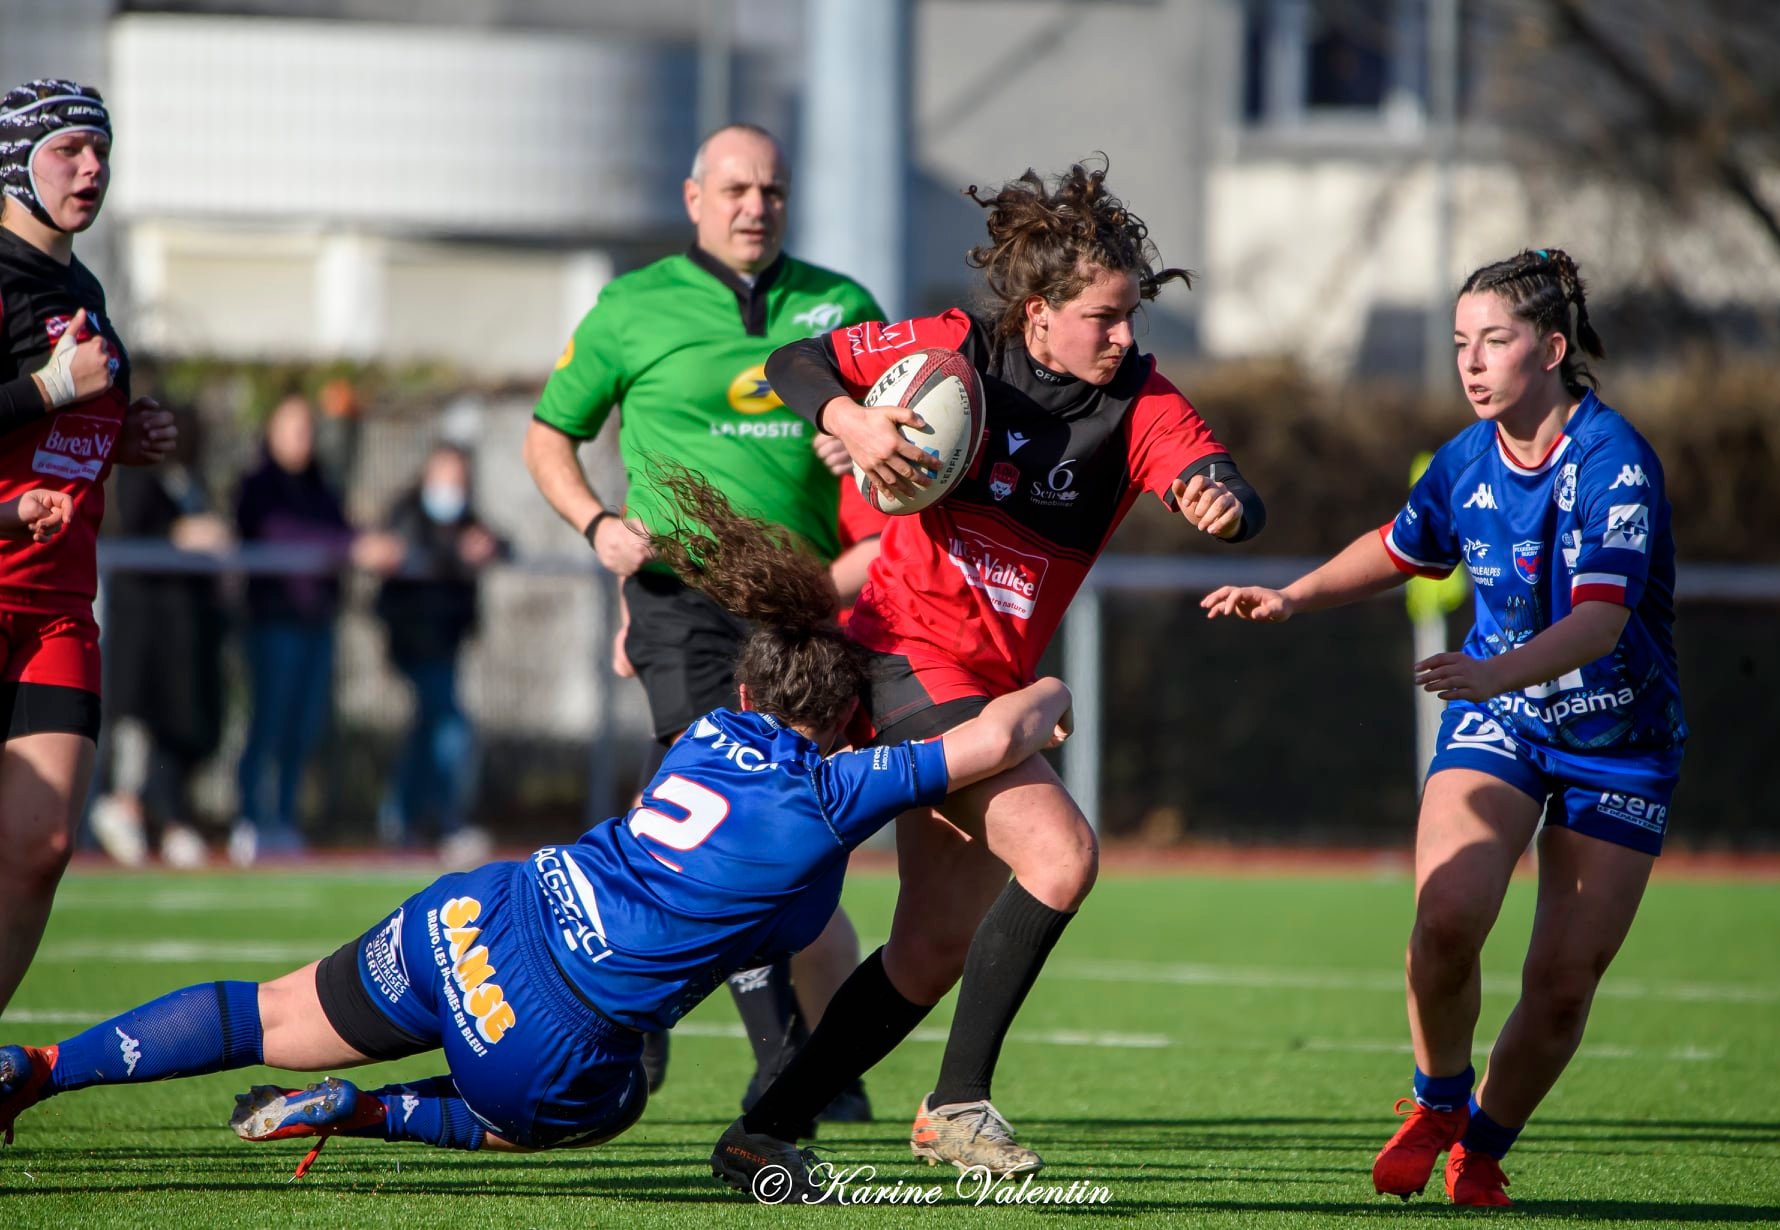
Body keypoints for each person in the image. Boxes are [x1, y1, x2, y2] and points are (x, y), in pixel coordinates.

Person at [0, 469, 1072, 1202]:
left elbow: (787, 642)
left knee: (260, 1009)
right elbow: (993, 735)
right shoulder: (842, 787)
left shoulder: (703, 728)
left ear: (745, 686)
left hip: (478, 910)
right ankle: (370, 1115)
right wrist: (1049, 689)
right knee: (606, 1103)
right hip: (546, 1032)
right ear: (845, 718)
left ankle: (40, 1066)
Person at [710, 159, 1267, 1187]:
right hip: (898, 658)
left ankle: (766, 1125)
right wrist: (856, 420)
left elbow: (1211, 470)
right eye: (1104, 318)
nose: (1126, 337)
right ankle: (957, 1104)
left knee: (930, 948)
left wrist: (1218, 499)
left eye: (1133, 316)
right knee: (1059, 858)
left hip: (984, 684)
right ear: (1040, 310)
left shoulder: (1137, 401)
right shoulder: (959, 353)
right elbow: (798, 362)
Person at [1202, 248, 1684, 1207]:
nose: (1470, 362)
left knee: (1561, 983)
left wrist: (1487, 670)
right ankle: (1437, 1101)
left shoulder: (1612, 460)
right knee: (1449, 913)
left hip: (1618, 742)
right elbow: (1397, 547)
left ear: (1550, 349)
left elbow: (1600, 621)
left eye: (1492, 342)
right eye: (1460, 343)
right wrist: (1291, 599)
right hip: (1501, 720)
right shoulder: (1466, 458)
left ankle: (1485, 1145)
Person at [523, 122, 886, 1116]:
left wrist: (869, 452)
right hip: (681, 597)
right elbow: (550, 435)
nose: (753, 206)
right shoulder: (632, 307)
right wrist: (596, 524)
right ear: (694, 197)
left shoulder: (842, 307)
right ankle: (781, 1064)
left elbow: (899, 450)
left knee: (795, 840)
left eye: (770, 189)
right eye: (734, 188)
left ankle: (763, 1052)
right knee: (730, 804)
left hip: (803, 608)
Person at [0, 79, 178, 1017]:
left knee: (41, 849)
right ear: (17, 162)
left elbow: (71, 421)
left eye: (100, 149)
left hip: (59, 609)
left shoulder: (86, 291)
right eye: (68, 148)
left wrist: (126, 431)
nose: (92, 167)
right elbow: (41, 399)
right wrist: (48, 390)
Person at [232, 392, 399, 862]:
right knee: (268, 724)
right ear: (272, 432)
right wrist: (352, 547)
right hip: (274, 624)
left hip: (315, 623)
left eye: (309, 429)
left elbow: (339, 531)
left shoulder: (320, 484)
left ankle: (283, 819)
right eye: (294, 428)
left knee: (301, 729)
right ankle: (250, 818)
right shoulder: (259, 484)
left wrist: (362, 541)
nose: (305, 439)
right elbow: (284, 534)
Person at [90, 402, 233, 869]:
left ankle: (168, 818)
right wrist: (183, 532)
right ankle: (124, 807)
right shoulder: (138, 476)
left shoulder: (194, 482)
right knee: (135, 725)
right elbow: (135, 525)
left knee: (182, 727)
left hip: (186, 635)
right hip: (144, 630)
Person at [374, 442, 508, 866]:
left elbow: (500, 542)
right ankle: (441, 820)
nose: (453, 486)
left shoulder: (465, 516)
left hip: (447, 641)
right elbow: (420, 554)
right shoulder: (408, 511)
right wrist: (461, 554)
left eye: (459, 478)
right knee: (449, 727)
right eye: (446, 476)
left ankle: (403, 820)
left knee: (429, 728)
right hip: (415, 639)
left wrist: (490, 546)